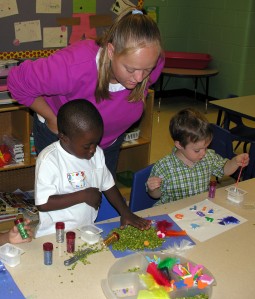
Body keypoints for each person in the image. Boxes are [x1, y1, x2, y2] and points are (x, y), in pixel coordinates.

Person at [7, 7, 164, 177]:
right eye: (131, 69)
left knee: (97, 196)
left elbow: (147, 80)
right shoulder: (72, 66)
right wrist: (53, 118)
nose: (140, 78)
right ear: (111, 51)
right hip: (64, 141)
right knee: (64, 198)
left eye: (147, 69)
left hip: (108, 144)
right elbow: (16, 82)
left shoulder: (153, 59)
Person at [34, 99, 151, 238]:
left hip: (85, 229)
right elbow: (43, 203)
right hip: (54, 234)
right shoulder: (49, 160)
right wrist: (83, 195)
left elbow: (108, 184)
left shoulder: (97, 154)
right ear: (64, 138)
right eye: (87, 146)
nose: (93, 150)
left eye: (96, 143)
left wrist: (125, 212)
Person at [147, 108, 249, 205]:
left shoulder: (208, 157)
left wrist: (235, 161)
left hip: (199, 211)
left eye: (206, 147)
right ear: (179, 145)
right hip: (173, 213)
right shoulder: (164, 166)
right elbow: (156, 195)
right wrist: (153, 188)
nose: (203, 153)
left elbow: (225, 169)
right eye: (197, 150)